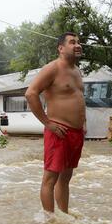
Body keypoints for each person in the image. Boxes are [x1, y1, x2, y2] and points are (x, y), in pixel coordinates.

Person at [25, 32, 86, 214]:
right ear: (60, 48)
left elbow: (78, 98)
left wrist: (83, 123)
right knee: (50, 179)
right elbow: (31, 93)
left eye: (79, 42)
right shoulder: (52, 68)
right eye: (72, 42)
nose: (78, 45)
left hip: (76, 133)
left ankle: (63, 217)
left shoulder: (76, 71)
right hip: (58, 131)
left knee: (65, 178)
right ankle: (50, 222)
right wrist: (47, 123)